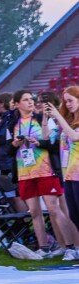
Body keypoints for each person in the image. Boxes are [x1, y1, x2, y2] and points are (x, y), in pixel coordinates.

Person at [9, 90, 79, 258]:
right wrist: (15, 144)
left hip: (48, 170)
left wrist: (39, 142)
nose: (31, 102)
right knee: (35, 211)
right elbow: (7, 149)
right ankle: (47, 247)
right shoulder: (13, 123)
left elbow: (56, 142)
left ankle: (71, 246)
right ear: (16, 104)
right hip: (27, 171)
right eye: (25, 100)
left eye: (31, 99)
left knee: (56, 209)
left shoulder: (42, 118)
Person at [46, 86, 79, 259]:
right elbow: (46, 137)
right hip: (68, 174)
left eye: (71, 100)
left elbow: (74, 136)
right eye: (65, 101)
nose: (68, 104)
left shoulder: (68, 123)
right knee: (74, 215)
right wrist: (46, 118)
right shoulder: (67, 121)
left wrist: (58, 116)